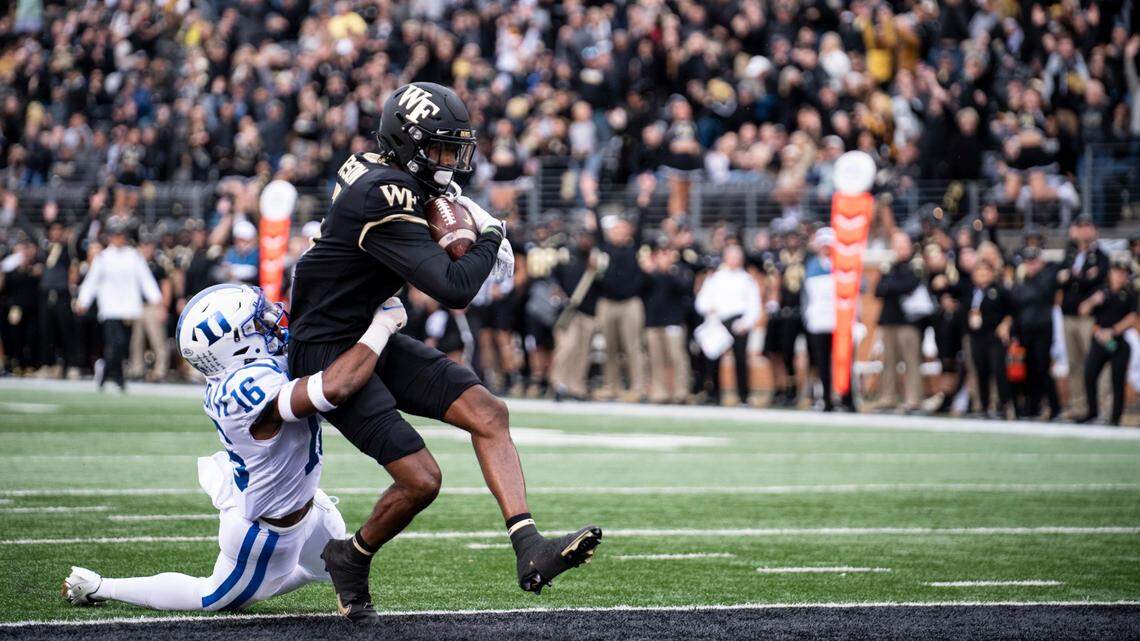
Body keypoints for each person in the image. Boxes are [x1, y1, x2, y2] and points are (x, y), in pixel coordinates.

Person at [286, 83, 601, 622]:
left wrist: (459, 215)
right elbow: (454, 287)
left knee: (489, 412)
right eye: (440, 150)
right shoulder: (382, 195)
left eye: (456, 149)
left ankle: (529, 545)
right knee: (422, 479)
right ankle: (351, 555)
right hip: (327, 349)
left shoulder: (377, 168)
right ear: (406, 144)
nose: (451, 162)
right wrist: (488, 235)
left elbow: (432, 200)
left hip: (367, 331)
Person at [62, 284, 407, 611]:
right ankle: (99, 586)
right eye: (258, 322)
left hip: (307, 505)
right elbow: (334, 388)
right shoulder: (242, 388)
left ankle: (277, 573)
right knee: (212, 597)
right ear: (235, 343)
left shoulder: (248, 367)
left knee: (330, 567)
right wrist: (381, 324)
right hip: (265, 531)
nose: (271, 320)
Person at [75, 222, 162, 393]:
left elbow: (145, 279)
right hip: (110, 307)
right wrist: (83, 301)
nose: (118, 238)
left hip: (129, 308)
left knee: (123, 346)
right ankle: (110, 372)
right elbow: (92, 280)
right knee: (115, 343)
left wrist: (156, 299)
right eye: (115, 235)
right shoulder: (103, 257)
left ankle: (114, 375)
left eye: (121, 235)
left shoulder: (133, 256)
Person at [593, 204, 648, 402]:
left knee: (633, 346)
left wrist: (643, 201)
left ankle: (638, 388)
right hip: (608, 303)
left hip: (630, 303)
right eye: (616, 229)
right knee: (610, 348)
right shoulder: (604, 248)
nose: (619, 232)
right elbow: (597, 230)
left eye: (623, 229)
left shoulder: (634, 248)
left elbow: (641, 224)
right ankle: (611, 386)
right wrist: (592, 203)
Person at [694, 244, 760, 405]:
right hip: (718, 322)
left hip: (739, 322)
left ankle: (743, 396)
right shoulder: (715, 278)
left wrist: (746, 323)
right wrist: (710, 309)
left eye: (737, 257)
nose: (734, 260)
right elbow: (701, 302)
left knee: (740, 359)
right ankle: (713, 394)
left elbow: (754, 305)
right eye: (731, 256)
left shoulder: (747, 279)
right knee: (712, 357)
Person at [1058, 215, 1108, 419]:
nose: (1084, 231)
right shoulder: (1069, 254)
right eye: (1080, 227)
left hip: (1089, 319)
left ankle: (1102, 407)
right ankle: (1080, 407)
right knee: (1074, 364)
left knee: (1094, 363)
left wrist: (1072, 277)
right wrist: (1077, 276)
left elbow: (1097, 281)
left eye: (1088, 226)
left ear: (1094, 230)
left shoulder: (1101, 256)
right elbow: (1060, 279)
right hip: (1068, 316)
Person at [1077, 261, 1137, 425]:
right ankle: (1092, 411)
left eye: (1123, 273)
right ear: (1110, 273)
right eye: (1117, 272)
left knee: (1117, 380)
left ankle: (1115, 417)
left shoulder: (1130, 294)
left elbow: (1133, 317)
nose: (1120, 276)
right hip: (1099, 340)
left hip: (1118, 341)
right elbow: (1082, 310)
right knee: (1089, 374)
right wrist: (1092, 301)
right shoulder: (1100, 291)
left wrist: (1114, 331)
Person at [873, 230, 924, 412]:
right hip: (889, 319)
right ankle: (888, 397)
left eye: (903, 244)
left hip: (908, 321)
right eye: (897, 244)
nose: (901, 248)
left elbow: (909, 285)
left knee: (911, 361)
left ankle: (913, 399)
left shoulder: (915, 264)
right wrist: (893, 285)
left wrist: (891, 285)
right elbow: (878, 290)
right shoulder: (890, 265)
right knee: (888, 361)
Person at [1010, 247, 1061, 419]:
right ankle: (1032, 407)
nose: (1031, 265)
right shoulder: (1022, 282)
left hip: (1042, 330)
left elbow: (1058, 268)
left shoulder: (1046, 278)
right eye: (1028, 262)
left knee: (1042, 368)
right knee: (1029, 370)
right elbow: (1016, 307)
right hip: (1025, 331)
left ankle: (1055, 408)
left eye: (1034, 261)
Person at [641, 243, 692, 404]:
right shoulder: (650, 274)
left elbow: (684, 288)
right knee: (656, 359)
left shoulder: (680, 270)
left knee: (677, 357)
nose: (664, 256)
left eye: (667, 252)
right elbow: (638, 288)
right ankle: (659, 392)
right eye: (661, 253)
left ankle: (681, 392)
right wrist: (648, 271)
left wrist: (668, 271)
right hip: (653, 322)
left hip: (673, 322)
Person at [963, 259, 1014, 418]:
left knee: (998, 369)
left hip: (994, 335)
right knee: (981, 370)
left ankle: (1004, 405)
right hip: (977, 336)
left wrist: (1006, 324)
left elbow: (1012, 310)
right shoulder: (970, 292)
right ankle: (984, 406)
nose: (982, 275)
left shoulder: (999, 291)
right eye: (979, 271)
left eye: (986, 271)